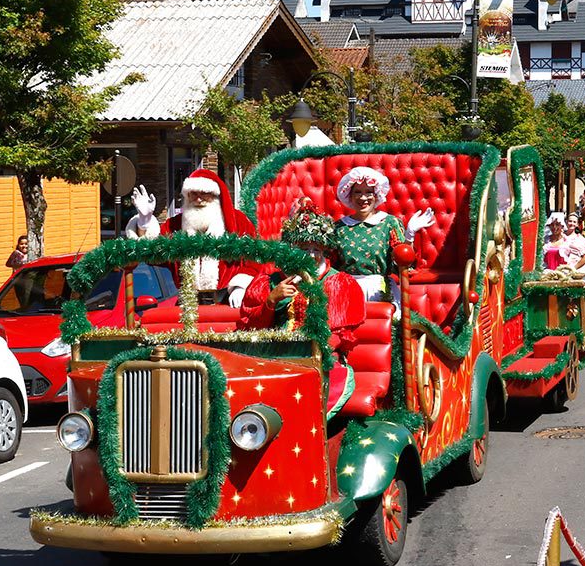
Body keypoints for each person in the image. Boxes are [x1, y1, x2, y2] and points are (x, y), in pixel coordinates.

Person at [240, 197, 365, 418]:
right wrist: (271, 301)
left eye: (316, 248)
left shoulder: (338, 282)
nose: (310, 254)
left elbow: (342, 336)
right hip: (273, 356)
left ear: (324, 250)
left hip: (321, 360)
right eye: (303, 247)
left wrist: (311, 351)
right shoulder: (269, 282)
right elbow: (249, 328)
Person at [333, 166, 436, 311]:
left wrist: (409, 236)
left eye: (368, 192)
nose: (363, 198)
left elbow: (403, 264)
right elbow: (328, 265)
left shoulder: (389, 223)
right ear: (350, 195)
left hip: (380, 291)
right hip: (346, 291)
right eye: (357, 192)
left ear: (376, 195)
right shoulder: (339, 227)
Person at [160, 169, 258, 307]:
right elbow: (154, 253)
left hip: (227, 302)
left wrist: (240, 286)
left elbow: (255, 259)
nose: (199, 199)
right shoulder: (175, 225)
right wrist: (144, 223)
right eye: (194, 193)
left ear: (215, 195)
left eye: (204, 194)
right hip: (187, 304)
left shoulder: (239, 222)